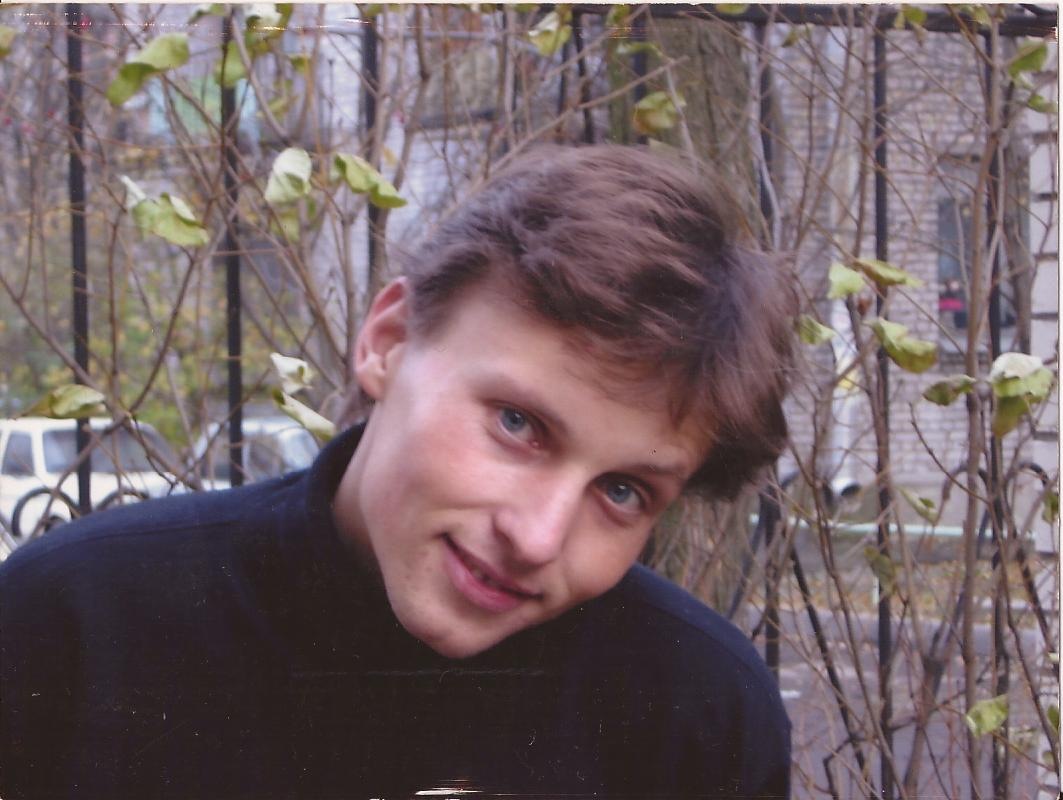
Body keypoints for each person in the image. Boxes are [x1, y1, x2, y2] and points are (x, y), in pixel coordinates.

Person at [0, 144, 795, 798]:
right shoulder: (73, 626)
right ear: (388, 341)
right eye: (517, 424)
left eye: (622, 492)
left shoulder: (697, 712)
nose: (537, 538)